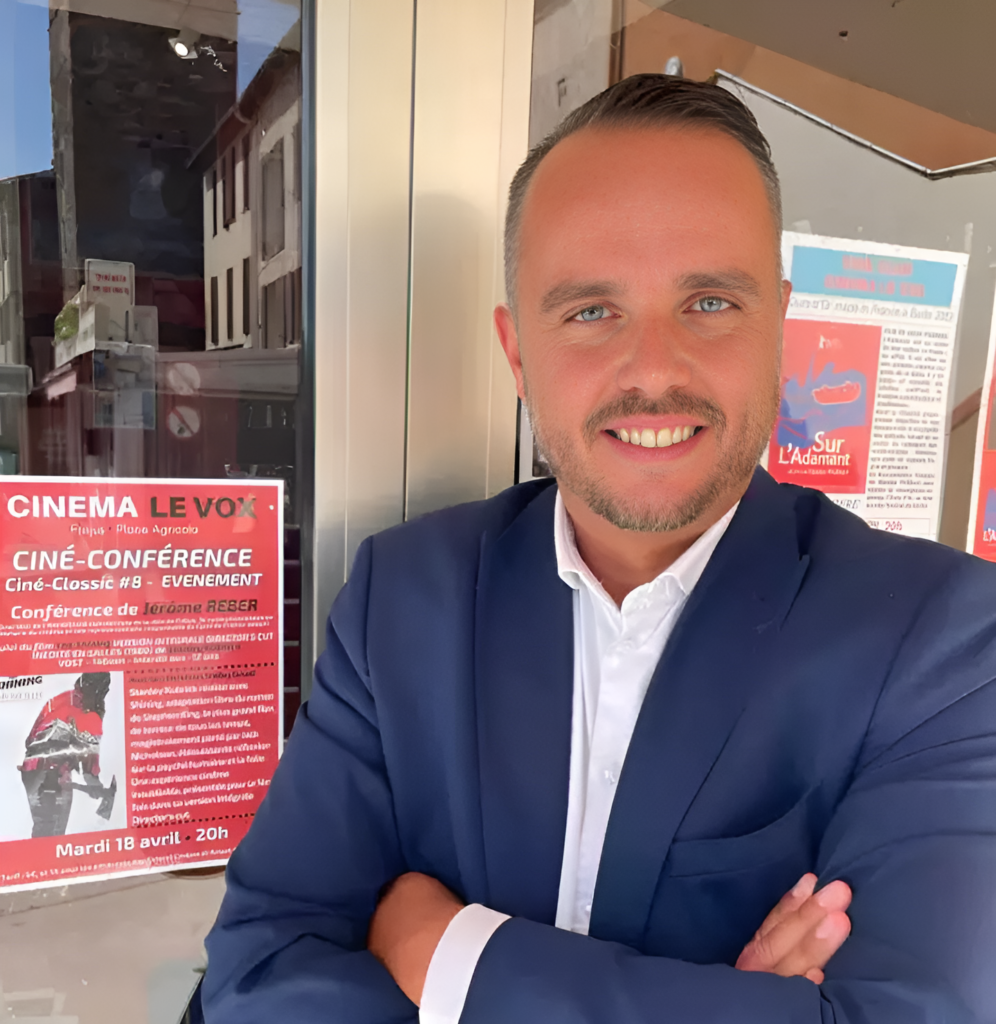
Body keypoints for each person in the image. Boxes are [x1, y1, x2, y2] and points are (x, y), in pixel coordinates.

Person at [201, 76, 996, 1023]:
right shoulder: (402, 601)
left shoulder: (939, 641)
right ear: (517, 352)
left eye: (709, 302)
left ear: (781, 324)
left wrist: (444, 951)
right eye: (590, 312)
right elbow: (257, 976)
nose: (655, 368)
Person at [19, 672, 116, 837]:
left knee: (42, 828)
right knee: (55, 834)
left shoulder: (60, 699)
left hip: (30, 771)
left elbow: (30, 740)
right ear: (101, 691)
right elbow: (89, 762)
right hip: (53, 775)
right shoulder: (91, 715)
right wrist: (95, 785)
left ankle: (39, 860)